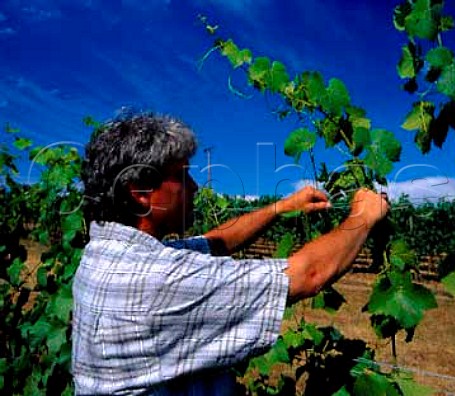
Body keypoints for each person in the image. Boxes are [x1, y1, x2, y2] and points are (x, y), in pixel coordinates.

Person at [73, 112, 389, 395]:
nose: (195, 186)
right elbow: (308, 274)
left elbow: (214, 241)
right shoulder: (157, 279)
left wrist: (280, 208)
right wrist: (363, 216)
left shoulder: (108, 254)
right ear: (141, 195)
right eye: (182, 175)